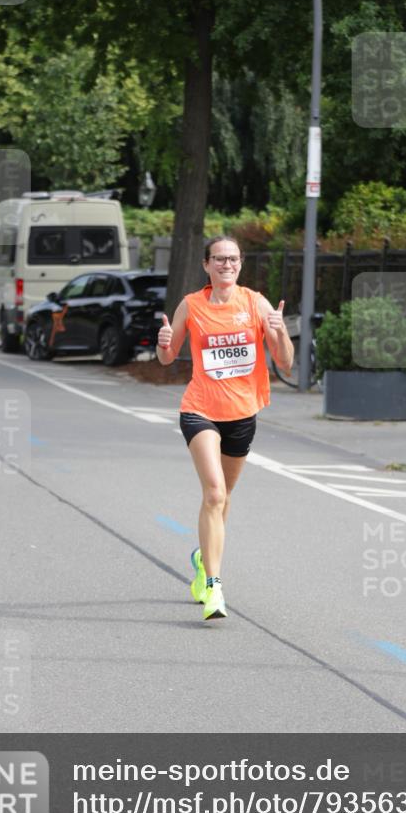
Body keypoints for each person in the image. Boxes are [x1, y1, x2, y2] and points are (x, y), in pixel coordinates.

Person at [156, 235, 294, 621]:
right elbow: (166, 359)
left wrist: (279, 331)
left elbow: (285, 364)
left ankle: (203, 557)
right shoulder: (192, 305)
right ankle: (214, 587)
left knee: (224, 497)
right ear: (206, 265)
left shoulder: (255, 303)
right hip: (200, 409)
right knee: (214, 494)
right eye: (219, 259)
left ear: (240, 264)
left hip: (242, 414)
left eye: (232, 259)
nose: (226, 265)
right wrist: (164, 343)